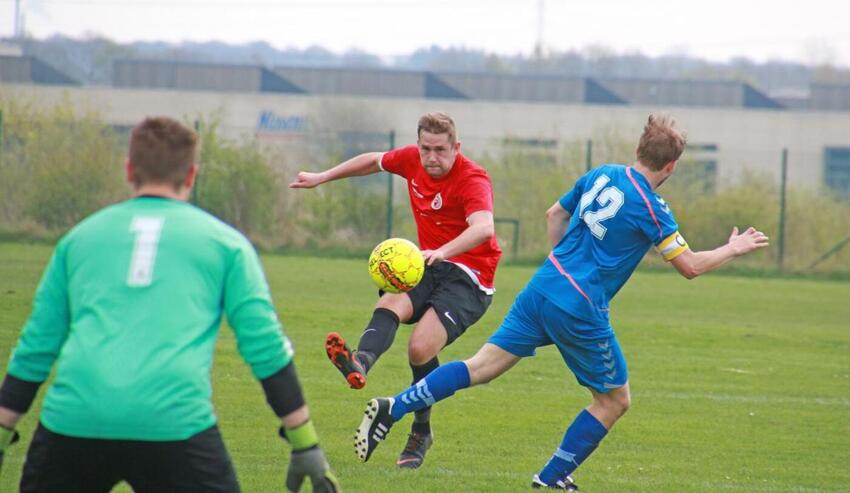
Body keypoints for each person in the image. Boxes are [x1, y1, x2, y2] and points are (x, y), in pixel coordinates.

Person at [353, 115, 769, 490]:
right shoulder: (653, 208)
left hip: (542, 286)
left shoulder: (602, 174)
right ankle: (551, 479)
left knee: (480, 366)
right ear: (671, 167)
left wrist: (564, 261)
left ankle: (393, 407)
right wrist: (734, 248)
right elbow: (691, 266)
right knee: (614, 400)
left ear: (638, 151)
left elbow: (554, 214)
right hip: (580, 307)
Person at [0, 117, 340, 493]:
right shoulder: (226, 245)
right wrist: (304, 443)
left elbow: (36, 346)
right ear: (191, 176)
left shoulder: (78, 239)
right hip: (175, 422)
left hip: (74, 420)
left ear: (130, 170)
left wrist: (3, 432)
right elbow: (266, 349)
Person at [290, 111, 502, 469]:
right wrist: (322, 177)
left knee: (420, 348)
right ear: (417, 145)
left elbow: (483, 228)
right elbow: (373, 161)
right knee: (391, 301)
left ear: (456, 147)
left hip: (470, 275)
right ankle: (360, 361)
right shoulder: (411, 160)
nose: (431, 158)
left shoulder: (472, 178)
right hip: (427, 263)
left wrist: (443, 251)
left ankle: (421, 431)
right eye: (425, 149)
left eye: (439, 150)